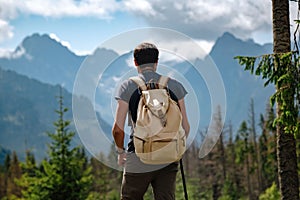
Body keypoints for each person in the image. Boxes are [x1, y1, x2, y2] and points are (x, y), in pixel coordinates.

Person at [112, 42, 190, 200]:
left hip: (138, 155)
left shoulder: (127, 87)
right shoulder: (174, 86)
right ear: (156, 62)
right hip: (168, 156)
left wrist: (121, 152)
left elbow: (118, 130)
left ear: (135, 62)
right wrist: (173, 146)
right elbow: (185, 127)